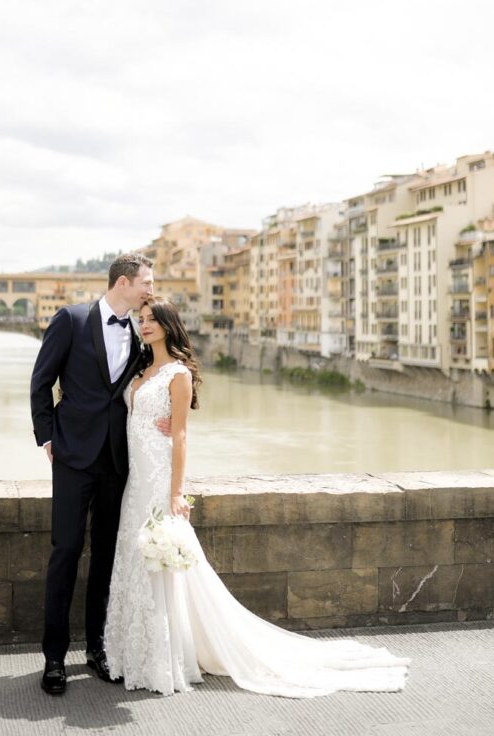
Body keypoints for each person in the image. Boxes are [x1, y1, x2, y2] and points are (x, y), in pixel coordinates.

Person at [104, 297, 411, 698]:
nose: (144, 325)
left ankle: (164, 658)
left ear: (168, 324)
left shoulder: (177, 374)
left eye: (151, 320)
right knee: (135, 561)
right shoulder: (141, 370)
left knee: (164, 568)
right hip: (135, 481)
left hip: (160, 478)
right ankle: (134, 654)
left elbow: (179, 435)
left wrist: (177, 492)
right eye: (140, 320)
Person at [30, 252, 171, 696]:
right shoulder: (70, 320)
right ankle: (54, 658)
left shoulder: (141, 333)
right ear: (125, 282)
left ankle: (98, 650)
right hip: (72, 458)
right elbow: (40, 381)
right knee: (66, 551)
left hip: (116, 460)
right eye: (147, 281)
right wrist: (48, 439)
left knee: (107, 558)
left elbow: (166, 371)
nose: (151, 288)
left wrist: (167, 415)